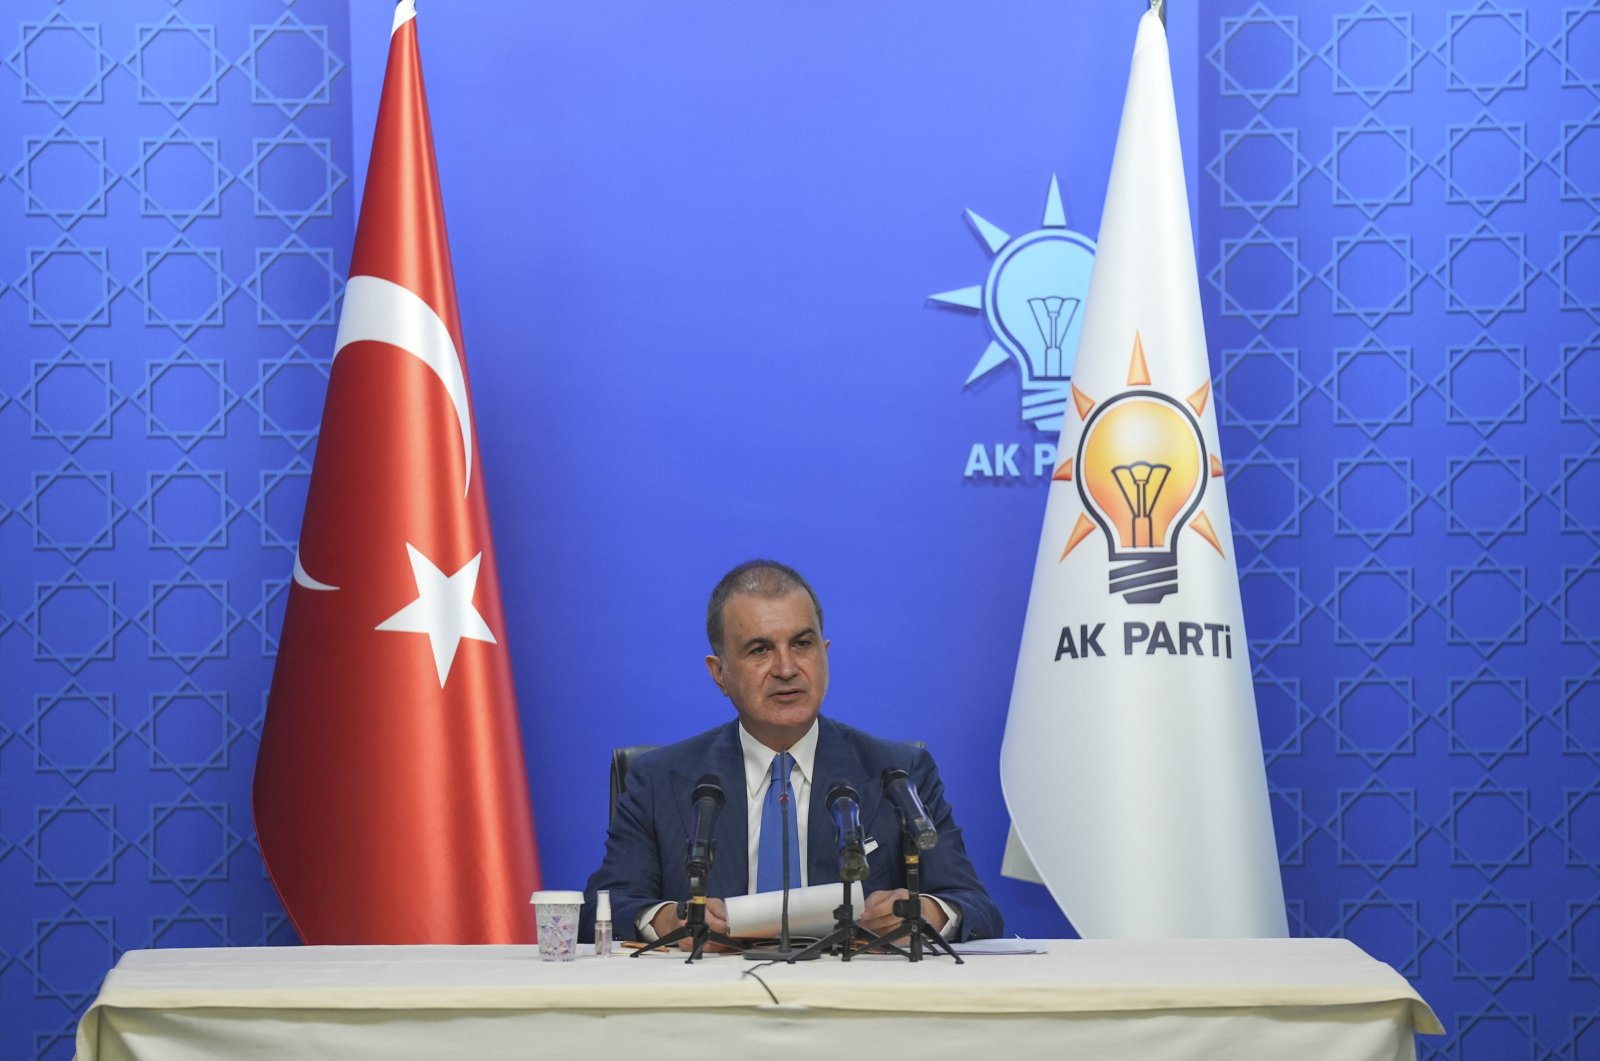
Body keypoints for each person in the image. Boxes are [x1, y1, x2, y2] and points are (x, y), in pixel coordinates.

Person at [582, 560, 1003, 945]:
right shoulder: (657, 779)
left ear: (825, 654)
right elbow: (603, 908)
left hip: (857, 1009)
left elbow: (974, 906)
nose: (786, 668)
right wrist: (662, 920)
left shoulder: (898, 772)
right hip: (711, 1009)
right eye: (760, 650)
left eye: (802, 644)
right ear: (719, 673)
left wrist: (923, 912)